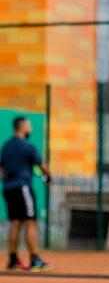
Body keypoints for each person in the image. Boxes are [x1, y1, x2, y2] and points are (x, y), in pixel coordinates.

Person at [1, 116, 52, 272]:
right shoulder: (27, 146)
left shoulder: (6, 146)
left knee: (15, 223)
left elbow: (1, 170)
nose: (30, 128)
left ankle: (13, 260)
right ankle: (35, 259)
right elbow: (42, 166)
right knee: (30, 222)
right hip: (23, 188)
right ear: (22, 126)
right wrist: (49, 177)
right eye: (29, 125)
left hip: (8, 188)